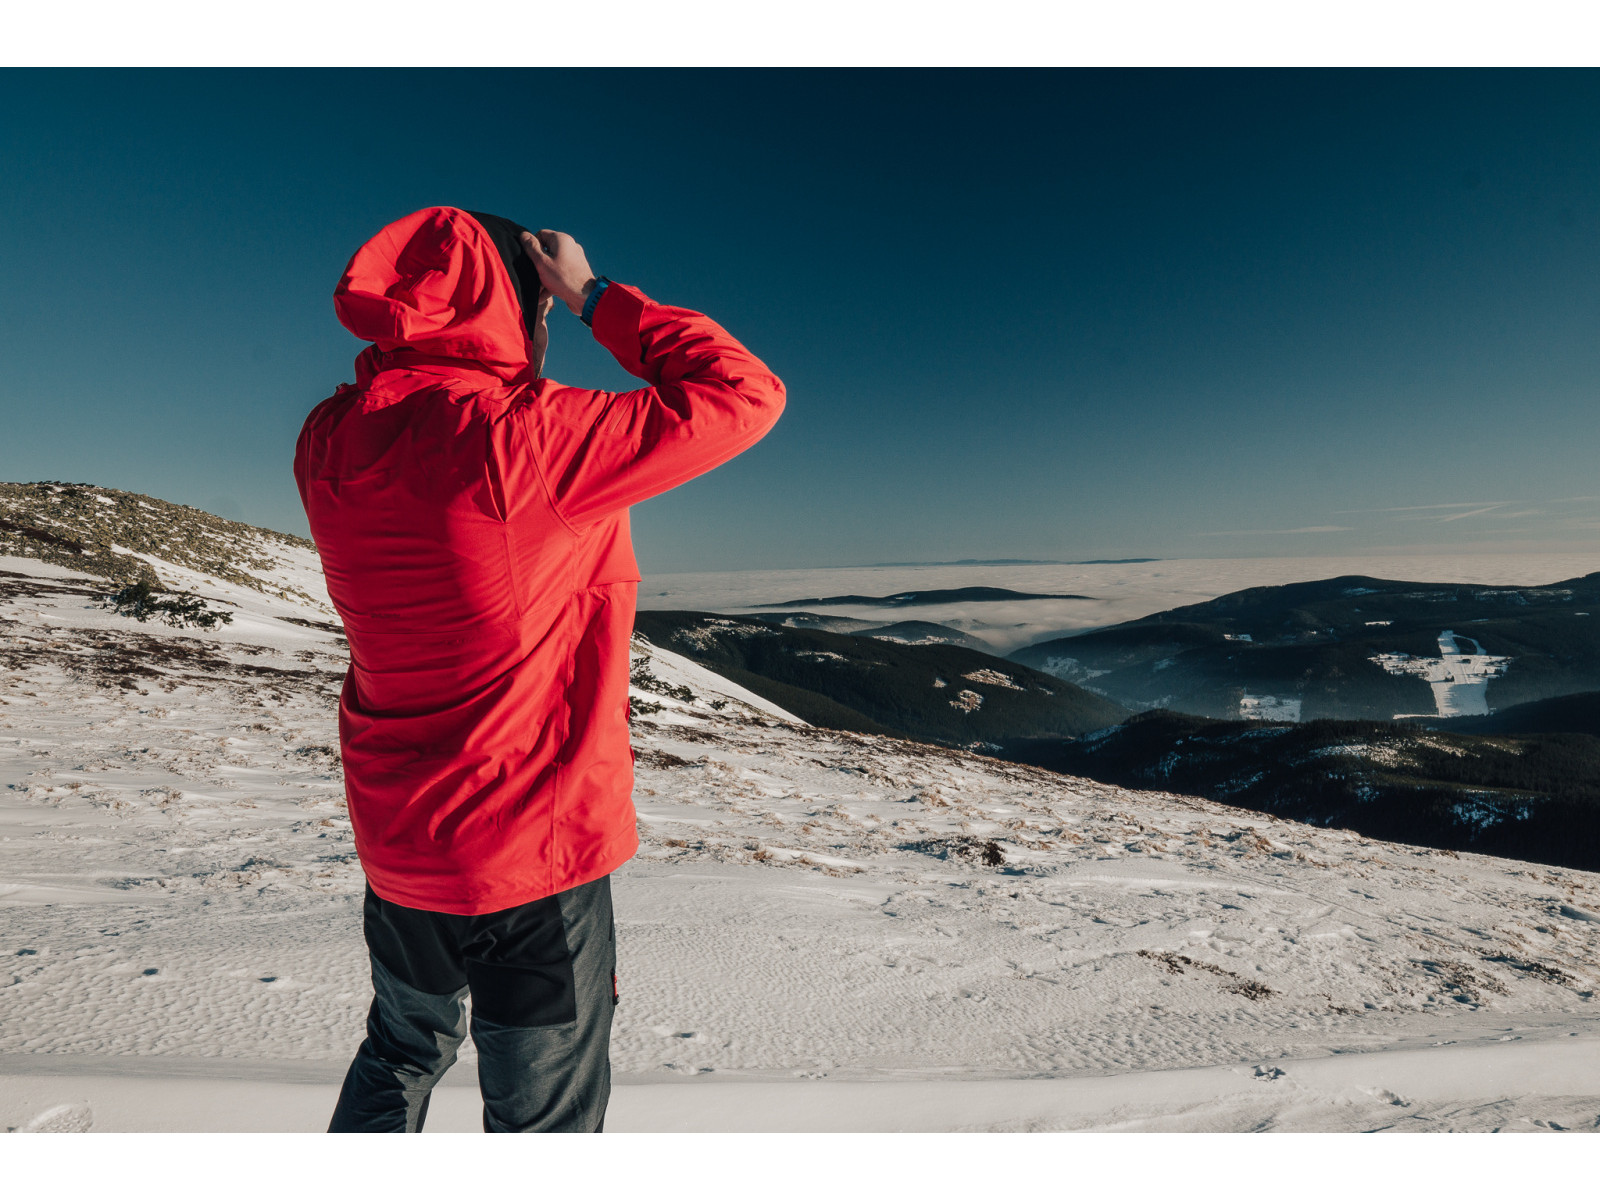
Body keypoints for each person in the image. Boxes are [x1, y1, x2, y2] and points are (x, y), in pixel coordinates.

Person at [294, 206, 785, 1132]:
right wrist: (594, 295)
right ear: (516, 310)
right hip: (529, 850)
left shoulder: (327, 442)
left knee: (399, 1052)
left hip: (400, 843)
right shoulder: (529, 440)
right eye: (539, 309)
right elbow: (744, 393)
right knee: (543, 1122)